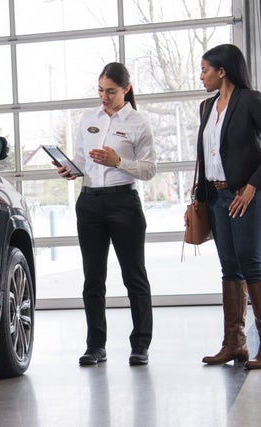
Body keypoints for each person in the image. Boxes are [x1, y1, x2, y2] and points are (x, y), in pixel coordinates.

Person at [190, 44, 261, 369]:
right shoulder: (206, 107)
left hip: (245, 195)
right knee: (229, 267)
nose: (201, 75)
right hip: (217, 197)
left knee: (251, 263)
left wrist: (252, 186)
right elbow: (209, 154)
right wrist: (200, 194)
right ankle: (234, 343)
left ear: (222, 71)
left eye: (205, 69)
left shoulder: (249, 100)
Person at [56, 62, 157, 366]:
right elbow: (81, 160)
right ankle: (95, 346)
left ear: (126, 89)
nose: (104, 96)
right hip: (89, 204)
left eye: (110, 91)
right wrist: (70, 169)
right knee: (93, 278)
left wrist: (117, 162)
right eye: (100, 90)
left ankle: (140, 345)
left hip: (124, 203)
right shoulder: (89, 119)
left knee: (134, 277)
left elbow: (150, 170)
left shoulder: (138, 123)